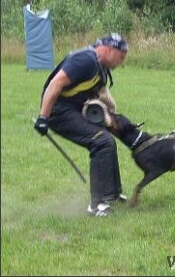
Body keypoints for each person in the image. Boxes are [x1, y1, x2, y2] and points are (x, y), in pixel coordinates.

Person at [34, 33, 129, 216]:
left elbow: (104, 94)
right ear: (110, 50)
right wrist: (43, 117)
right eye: (121, 57)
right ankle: (96, 205)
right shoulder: (84, 59)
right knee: (101, 141)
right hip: (57, 111)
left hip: (73, 109)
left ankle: (112, 195)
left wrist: (113, 118)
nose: (121, 62)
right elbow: (56, 83)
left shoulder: (100, 68)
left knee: (107, 140)